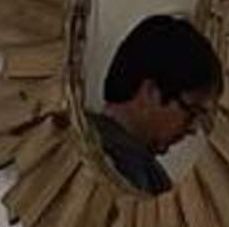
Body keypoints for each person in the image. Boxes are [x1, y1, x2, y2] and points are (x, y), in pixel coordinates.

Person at [92, 14, 222, 193]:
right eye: (191, 111)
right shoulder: (120, 169)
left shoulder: (83, 141)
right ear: (152, 92)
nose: (193, 128)